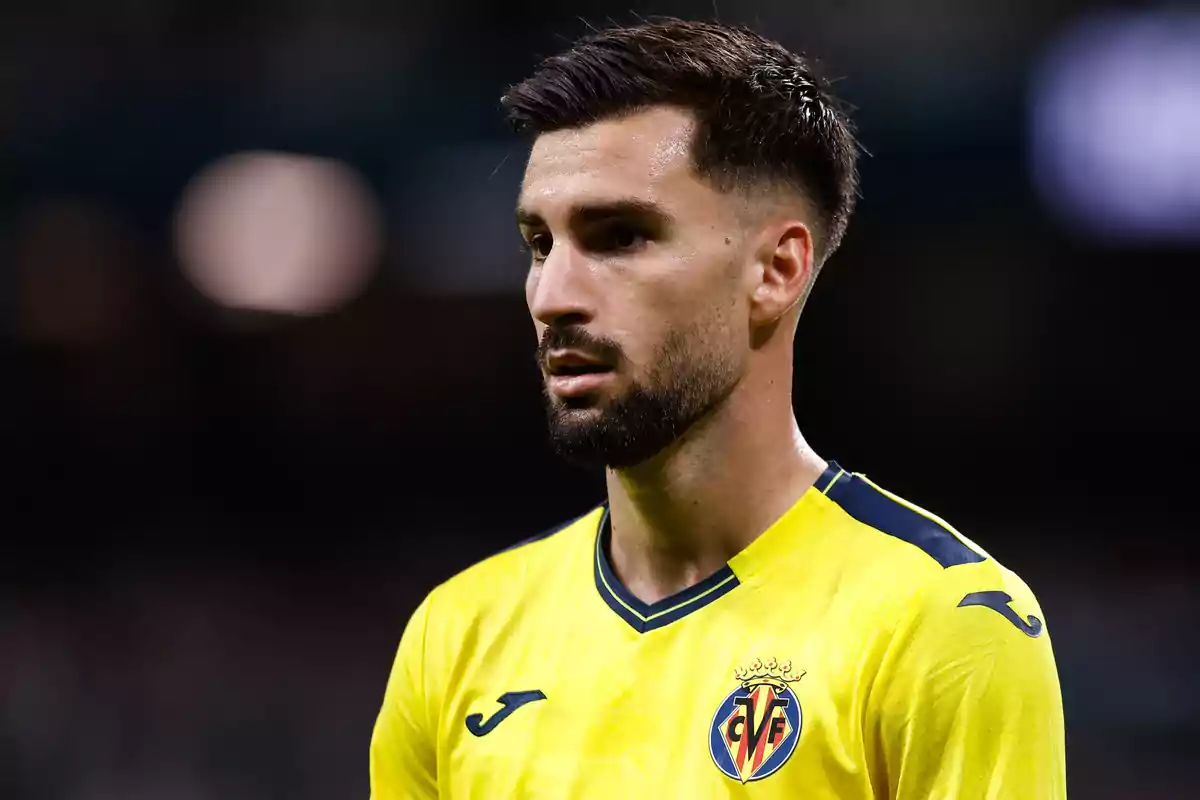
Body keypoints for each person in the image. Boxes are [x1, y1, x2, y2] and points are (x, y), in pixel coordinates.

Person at [369, 18, 1066, 799]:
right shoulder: (456, 636)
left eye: (620, 236)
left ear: (775, 269)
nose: (553, 296)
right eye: (540, 243)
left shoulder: (942, 622)